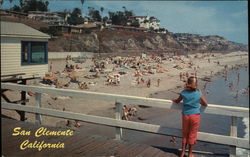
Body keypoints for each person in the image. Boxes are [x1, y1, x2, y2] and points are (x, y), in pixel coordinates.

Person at [172, 76, 208, 157]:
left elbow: (177, 101)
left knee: (185, 134)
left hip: (185, 115)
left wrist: (173, 100)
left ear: (188, 83)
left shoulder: (183, 92)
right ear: (196, 84)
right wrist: (199, 102)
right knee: (192, 135)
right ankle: (190, 154)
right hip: (195, 116)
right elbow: (205, 104)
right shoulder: (198, 93)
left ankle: (182, 153)